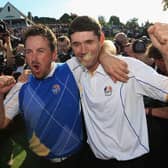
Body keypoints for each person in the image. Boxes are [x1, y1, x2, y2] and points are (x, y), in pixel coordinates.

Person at [0, 23, 128, 167]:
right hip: (45, 162)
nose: (33, 58)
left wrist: (104, 56)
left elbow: (105, 44)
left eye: (40, 51)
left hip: (79, 158)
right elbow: (2, 122)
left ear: (54, 54)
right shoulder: (21, 86)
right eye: (29, 51)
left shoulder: (72, 69)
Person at [68, 16, 168, 168]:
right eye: (76, 44)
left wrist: (166, 53)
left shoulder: (128, 67)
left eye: (89, 42)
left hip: (130, 161)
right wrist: (103, 55)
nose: (82, 51)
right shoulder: (75, 68)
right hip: (94, 159)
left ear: (101, 39)